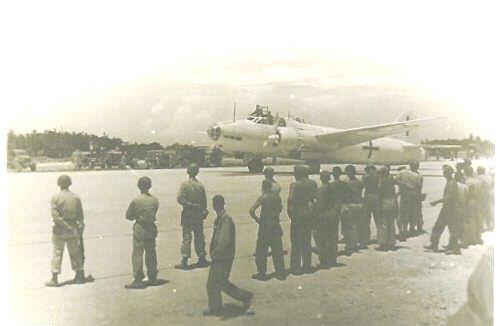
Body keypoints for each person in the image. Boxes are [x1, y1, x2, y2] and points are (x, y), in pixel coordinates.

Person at [205, 195, 253, 317]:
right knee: (213, 283)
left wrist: (216, 253)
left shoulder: (226, 220)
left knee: (221, 283)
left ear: (215, 206)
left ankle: (246, 297)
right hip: (219, 256)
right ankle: (215, 308)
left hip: (223, 257)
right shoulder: (220, 219)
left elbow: (224, 240)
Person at [46, 175, 86, 287]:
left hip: (60, 230)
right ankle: (79, 274)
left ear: (59, 184)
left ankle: (54, 278)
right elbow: (80, 215)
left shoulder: (55, 197)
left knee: (57, 253)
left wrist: (64, 225)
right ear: (70, 183)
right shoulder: (76, 197)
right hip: (73, 228)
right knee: (75, 252)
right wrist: (79, 228)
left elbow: (55, 216)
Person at [125, 176, 161, 289]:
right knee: (151, 252)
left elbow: (128, 216)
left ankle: (138, 279)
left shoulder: (136, 200)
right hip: (151, 227)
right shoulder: (154, 200)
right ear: (149, 186)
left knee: (137, 253)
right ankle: (152, 277)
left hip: (140, 227)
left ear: (139, 186)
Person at [249, 180, 286, 280]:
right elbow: (280, 209)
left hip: (264, 226)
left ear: (263, 187)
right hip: (275, 225)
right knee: (277, 249)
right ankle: (280, 272)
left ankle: (262, 273)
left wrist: (258, 220)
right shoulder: (277, 197)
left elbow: (251, 210)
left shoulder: (263, 198)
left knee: (261, 250)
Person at [176, 163, 210, 269]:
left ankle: (185, 259)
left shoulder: (185, 185)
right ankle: (202, 257)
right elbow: (204, 201)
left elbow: (180, 199)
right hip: (198, 214)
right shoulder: (200, 186)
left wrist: (190, 205)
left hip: (188, 213)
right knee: (199, 236)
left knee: (186, 237)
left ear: (188, 171)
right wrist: (203, 211)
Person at [287, 165, 317, 274]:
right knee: (307, 241)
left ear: (299, 174)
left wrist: (291, 215)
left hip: (298, 215)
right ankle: (307, 266)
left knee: (296, 242)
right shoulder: (312, 184)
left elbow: (290, 200)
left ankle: (295, 268)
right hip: (308, 215)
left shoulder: (294, 185)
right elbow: (315, 200)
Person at [425, 165, 461, 255]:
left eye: (445, 172)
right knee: (439, 226)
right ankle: (434, 244)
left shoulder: (452, 183)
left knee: (450, 228)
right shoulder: (450, 182)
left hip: (450, 209)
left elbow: (449, 197)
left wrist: (436, 202)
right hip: (448, 208)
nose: (443, 173)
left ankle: (453, 248)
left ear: (448, 173)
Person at [314, 170, 339, 268]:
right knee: (332, 238)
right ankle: (333, 259)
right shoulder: (333, 188)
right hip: (333, 215)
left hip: (323, 216)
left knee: (322, 239)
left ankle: (324, 261)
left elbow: (320, 205)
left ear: (321, 178)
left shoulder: (321, 190)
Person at [394, 162, 422, 239]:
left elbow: (395, 180)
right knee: (412, 213)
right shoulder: (419, 175)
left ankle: (403, 231)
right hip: (414, 196)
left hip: (405, 195)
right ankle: (410, 230)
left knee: (403, 213)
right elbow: (419, 187)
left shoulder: (402, 172)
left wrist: (403, 185)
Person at [342, 165, 364, 252]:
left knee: (349, 226)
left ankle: (351, 245)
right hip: (358, 204)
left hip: (350, 205)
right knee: (357, 224)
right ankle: (359, 242)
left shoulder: (345, 182)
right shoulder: (359, 181)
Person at [377, 166, 398, 251]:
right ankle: (391, 242)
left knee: (383, 223)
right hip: (392, 201)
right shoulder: (391, 180)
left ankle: (383, 243)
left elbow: (380, 194)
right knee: (391, 223)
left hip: (384, 202)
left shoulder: (382, 182)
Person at [362, 164, 381, 247]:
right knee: (378, 219)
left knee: (366, 219)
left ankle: (366, 238)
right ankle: (380, 237)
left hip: (368, 197)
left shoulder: (365, 177)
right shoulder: (378, 177)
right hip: (376, 197)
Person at [464, 166, 483, 245]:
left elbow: (467, 193)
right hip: (478, 201)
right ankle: (478, 236)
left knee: (470, 220)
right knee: (478, 219)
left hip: (470, 201)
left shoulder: (467, 181)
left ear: (466, 172)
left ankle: (471, 239)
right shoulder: (478, 181)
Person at [477, 166, 493, 231]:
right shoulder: (489, 177)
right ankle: (489, 225)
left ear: (479, 171)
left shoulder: (478, 178)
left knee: (481, 211)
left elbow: (478, 187)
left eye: (478, 171)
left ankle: (482, 227)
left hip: (482, 196)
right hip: (489, 195)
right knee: (488, 210)